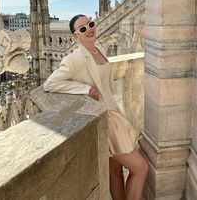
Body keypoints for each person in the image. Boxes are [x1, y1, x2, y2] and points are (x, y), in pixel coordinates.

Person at [44, 14, 148, 200]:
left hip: (113, 115)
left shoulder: (98, 49)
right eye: (82, 29)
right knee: (140, 168)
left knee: (115, 172)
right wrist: (85, 89)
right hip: (102, 120)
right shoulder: (74, 59)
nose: (89, 29)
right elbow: (50, 84)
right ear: (76, 36)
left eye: (90, 24)